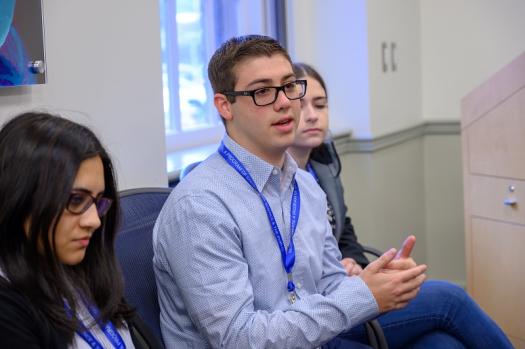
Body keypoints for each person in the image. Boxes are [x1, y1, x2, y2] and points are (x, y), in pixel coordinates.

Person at [153, 35, 512, 348]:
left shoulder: (304, 185)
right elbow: (240, 339)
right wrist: (363, 296)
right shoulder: (200, 207)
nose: (284, 102)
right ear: (224, 106)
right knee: (448, 300)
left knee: (441, 344)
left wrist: (373, 281)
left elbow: (328, 281)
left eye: (290, 86)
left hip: (315, 336)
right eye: (263, 91)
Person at [0, 112, 161, 349]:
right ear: (22, 199)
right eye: (76, 200)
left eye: (97, 202)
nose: (94, 220)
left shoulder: (84, 272)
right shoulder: (8, 309)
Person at [288, 63, 368, 276]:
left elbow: (343, 230)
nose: (313, 115)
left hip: (342, 285)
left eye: (320, 105)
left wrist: (352, 261)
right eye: (300, 106)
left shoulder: (324, 163)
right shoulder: (274, 176)